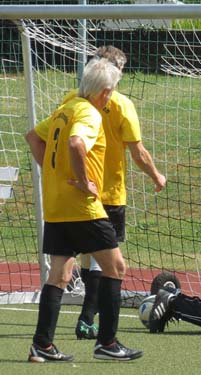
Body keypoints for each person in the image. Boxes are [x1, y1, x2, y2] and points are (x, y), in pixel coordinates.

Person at [25, 57, 143, 362]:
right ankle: (108, 342)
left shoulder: (65, 109)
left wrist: (54, 175)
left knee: (61, 274)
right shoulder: (90, 113)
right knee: (115, 266)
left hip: (56, 205)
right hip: (81, 207)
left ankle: (42, 345)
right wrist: (83, 180)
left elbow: (33, 137)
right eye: (113, 89)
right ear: (105, 91)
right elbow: (77, 143)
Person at [72, 46, 166, 340]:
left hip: (78, 188)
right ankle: (91, 321)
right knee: (109, 262)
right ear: (115, 72)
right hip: (109, 193)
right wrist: (156, 175)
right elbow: (138, 152)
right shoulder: (122, 105)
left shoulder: (75, 100)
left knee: (86, 259)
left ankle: (85, 319)